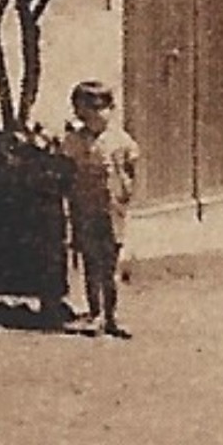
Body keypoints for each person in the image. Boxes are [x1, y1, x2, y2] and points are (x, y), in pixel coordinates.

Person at [61, 81, 140, 339]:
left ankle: (112, 315)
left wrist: (123, 195)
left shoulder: (119, 140)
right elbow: (68, 170)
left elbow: (130, 170)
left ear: (110, 109)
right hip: (85, 207)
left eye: (100, 109)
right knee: (91, 262)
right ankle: (95, 313)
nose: (95, 116)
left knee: (110, 264)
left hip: (110, 208)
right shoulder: (74, 140)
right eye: (87, 111)